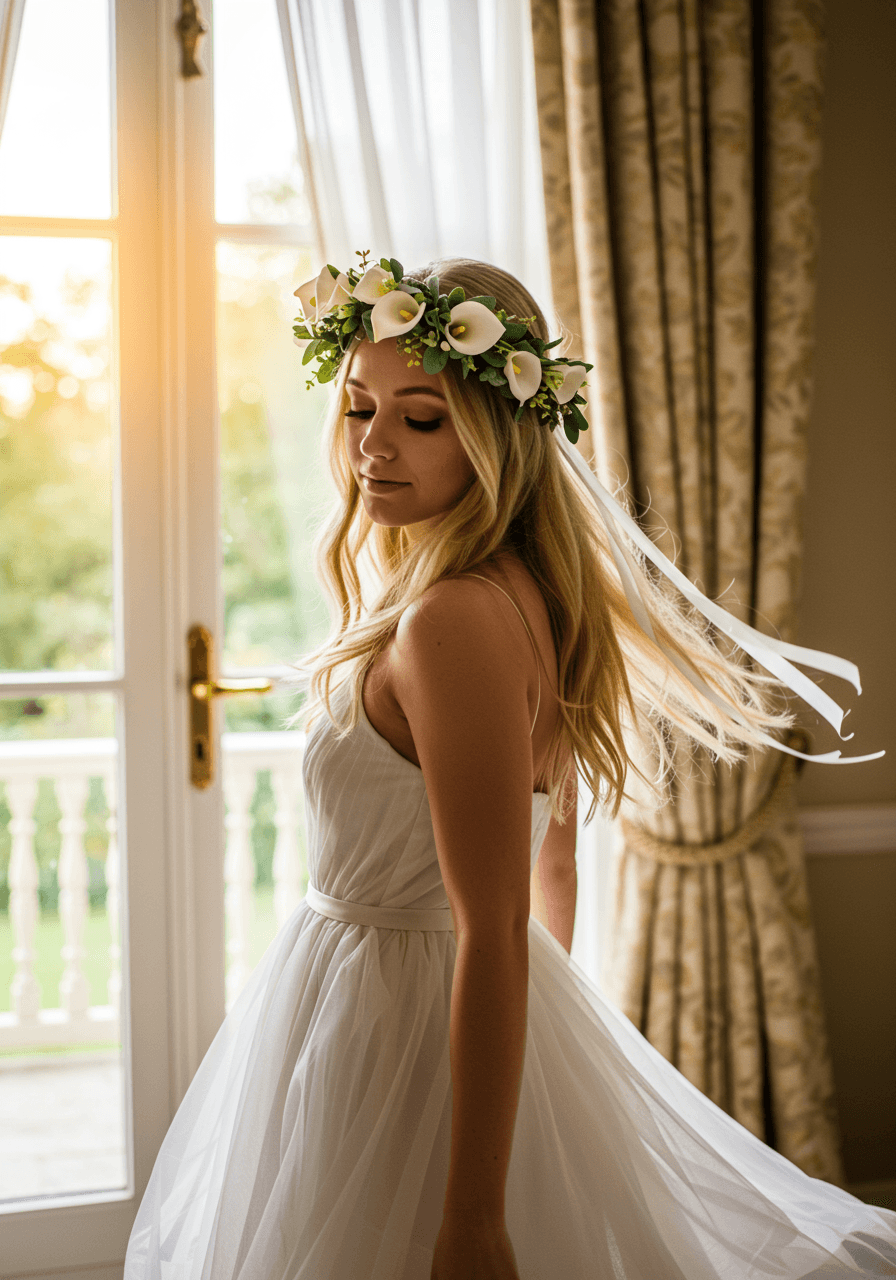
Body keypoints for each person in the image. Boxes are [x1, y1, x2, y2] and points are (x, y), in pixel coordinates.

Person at [124, 257, 895, 1279]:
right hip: (385, 1005)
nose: (372, 444)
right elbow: (554, 863)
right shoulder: (511, 592)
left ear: (496, 433)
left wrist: (476, 1210)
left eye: (421, 417)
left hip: (393, 1017)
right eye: (359, 406)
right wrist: (539, 1071)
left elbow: (495, 922)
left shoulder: (453, 619)